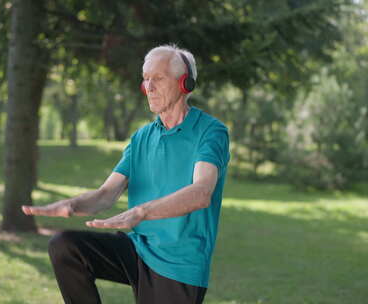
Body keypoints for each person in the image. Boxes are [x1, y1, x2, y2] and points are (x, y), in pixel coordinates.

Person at [22, 44, 230, 304]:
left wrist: (141, 212)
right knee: (66, 247)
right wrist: (73, 204)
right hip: (137, 249)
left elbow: (201, 193)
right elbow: (106, 194)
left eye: (158, 78)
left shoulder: (210, 132)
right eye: (145, 79)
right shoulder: (142, 137)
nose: (148, 87)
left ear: (184, 84)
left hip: (180, 264)